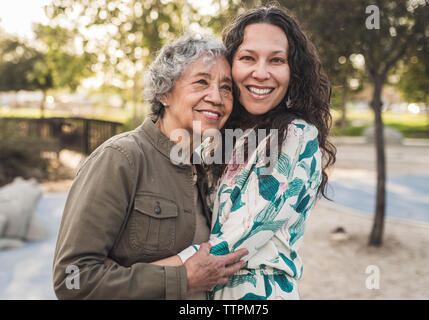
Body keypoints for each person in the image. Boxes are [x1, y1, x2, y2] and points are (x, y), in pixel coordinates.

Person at [52, 35, 248, 300]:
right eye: (202, 81)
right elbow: (72, 278)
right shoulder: (121, 158)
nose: (216, 97)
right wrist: (182, 278)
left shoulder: (205, 171)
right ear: (164, 92)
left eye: (226, 88)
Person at [175, 6, 336, 299]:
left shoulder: (295, 136)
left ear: (293, 72)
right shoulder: (225, 138)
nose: (260, 73)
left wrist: (144, 273)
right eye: (248, 58)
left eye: (276, 60)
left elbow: (230, 245)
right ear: (229, 65)